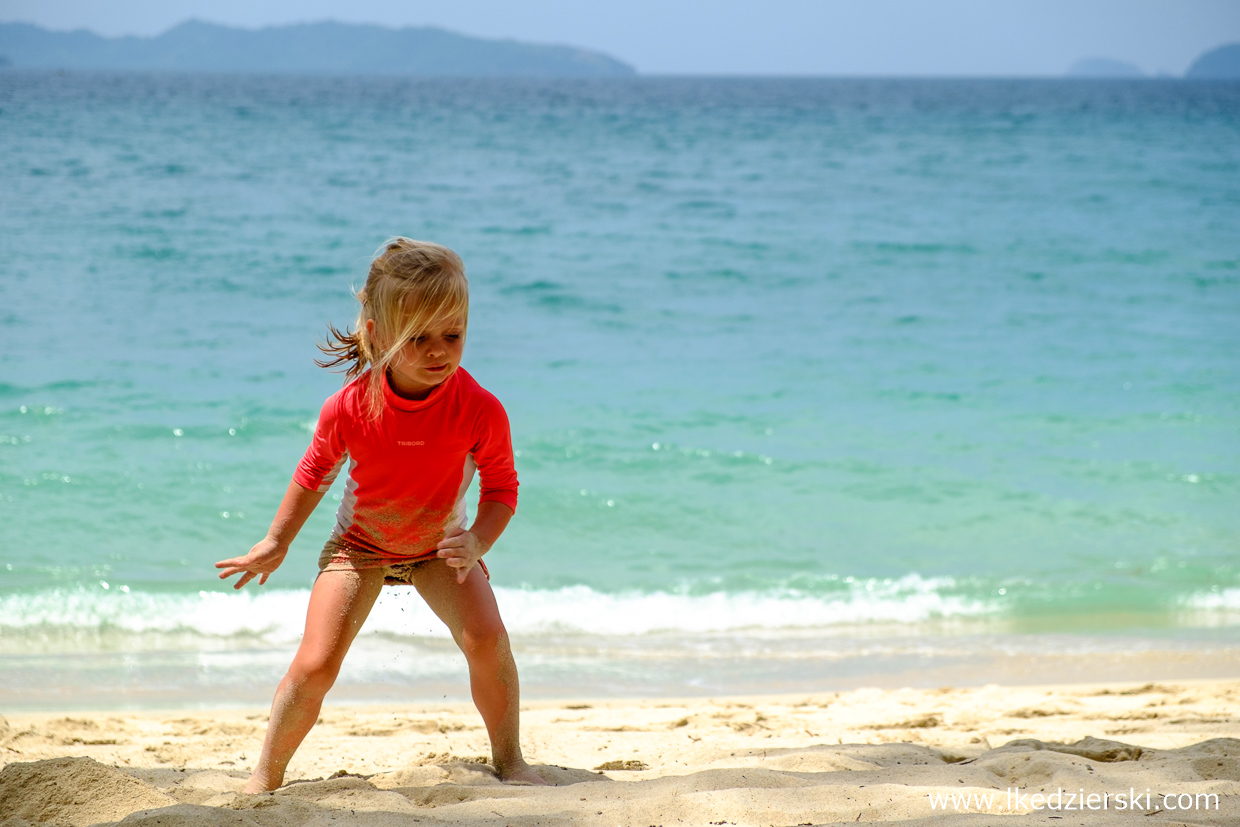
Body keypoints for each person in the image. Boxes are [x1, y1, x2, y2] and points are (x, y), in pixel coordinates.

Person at [215, 238, 545, 792]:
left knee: (487, 638)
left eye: (453, 335)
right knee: (317, 662)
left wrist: (479, 542)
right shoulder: (349, 406)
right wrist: (277, 541)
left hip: (440, 547)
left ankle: (510, 760)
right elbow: (313, 473)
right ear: (377, 334)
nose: (439, 351)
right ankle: (264, 778)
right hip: (359, 546)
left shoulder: (480, 408)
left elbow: (503, 488)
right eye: (418, 338)